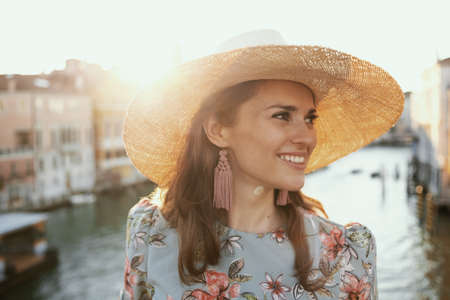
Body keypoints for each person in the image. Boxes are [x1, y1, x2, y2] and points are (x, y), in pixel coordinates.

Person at [119, 29, 404, 299]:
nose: (306, 137)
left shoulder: (347, 253)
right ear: (218, 130)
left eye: (309, 119)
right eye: (282, 116)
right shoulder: (150, 233)